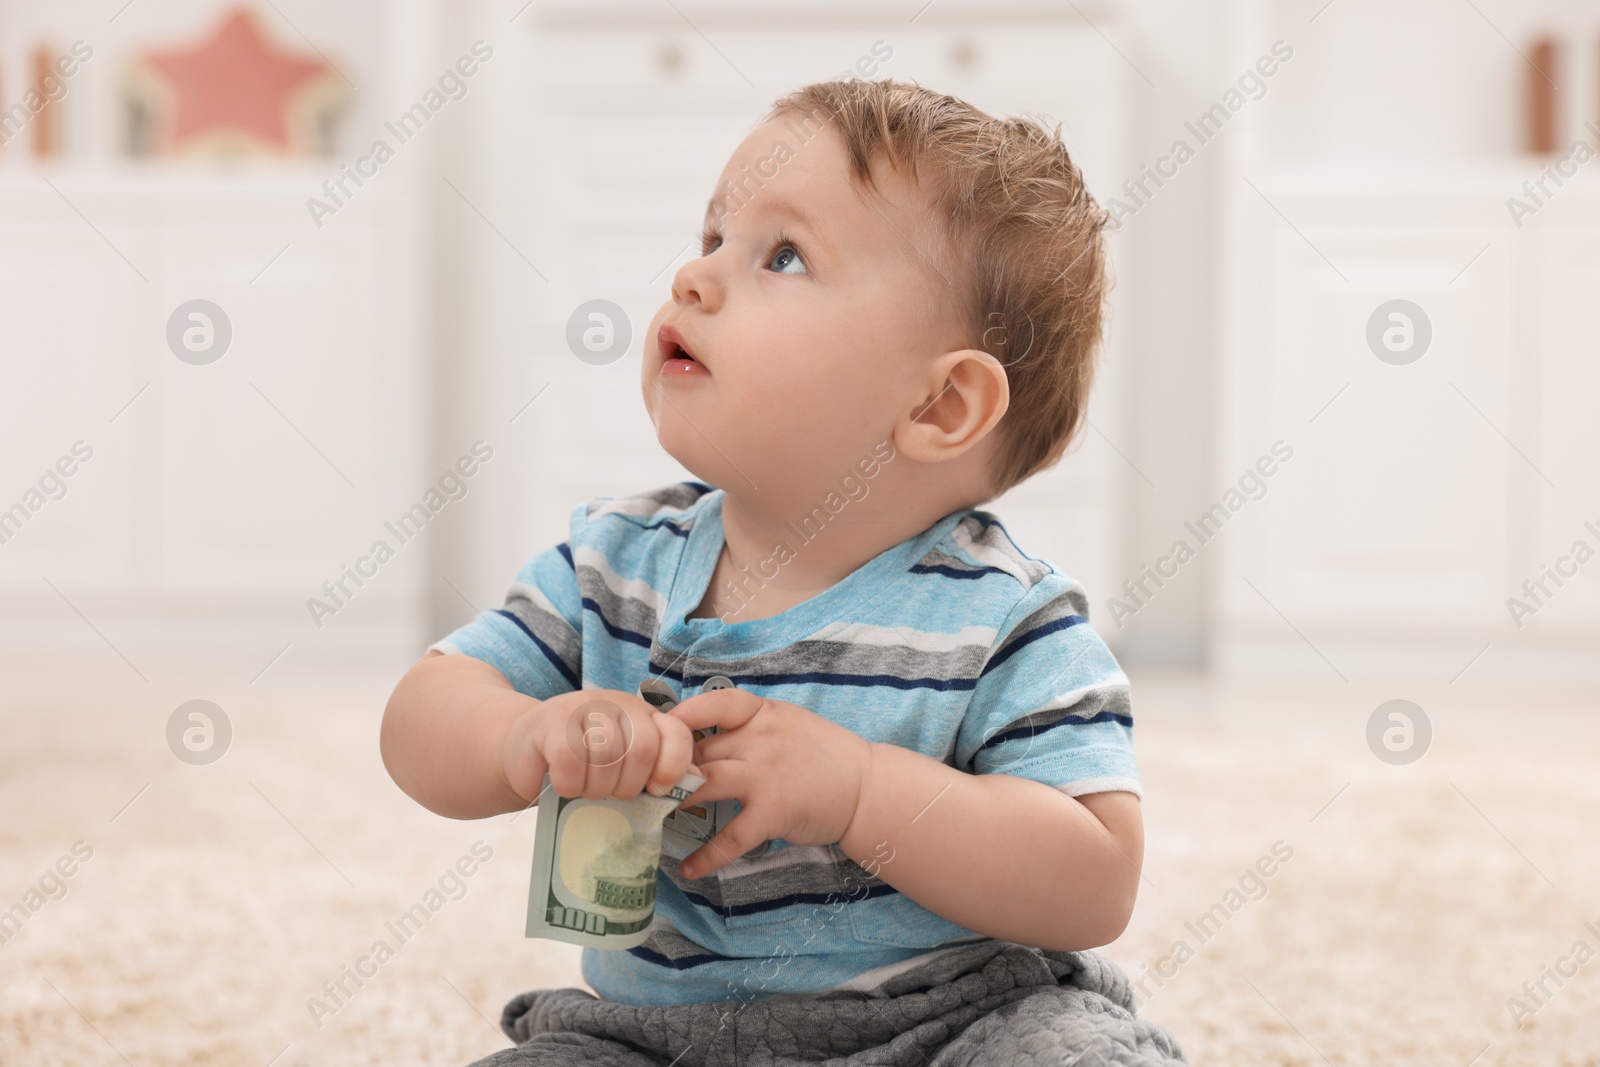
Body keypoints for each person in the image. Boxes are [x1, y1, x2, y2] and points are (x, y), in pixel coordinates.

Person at [382, 78, 1180, 1066]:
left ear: (939, 406)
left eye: (783, 255)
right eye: (712, 235)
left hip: (951, 1025)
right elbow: (422, 711)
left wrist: (861, 790)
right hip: (657, 1037)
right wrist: (522, 733)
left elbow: (1093, 878)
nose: (694, 276)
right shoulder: (612, 565)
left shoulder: (1005, 617)